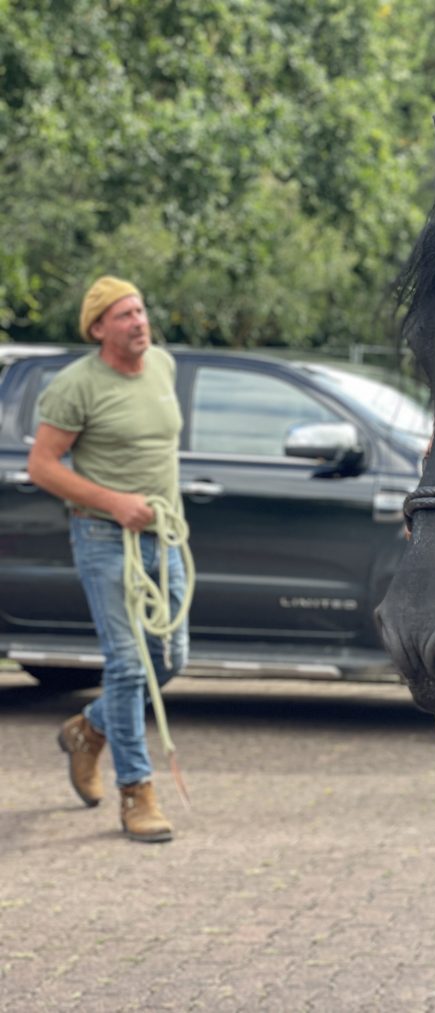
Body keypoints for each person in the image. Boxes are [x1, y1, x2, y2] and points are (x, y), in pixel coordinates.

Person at [28, 276, 188, 843]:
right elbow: (43, 466)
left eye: (140, 310)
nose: (138, 321)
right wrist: (115, 503)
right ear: (98, 328)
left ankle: (87, 729)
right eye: (123, 315)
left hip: (165, 538)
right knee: (125, 667)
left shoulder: (163, 367)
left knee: (169, 659)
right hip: (103, 537)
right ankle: (136, 793)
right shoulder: (76, 386)